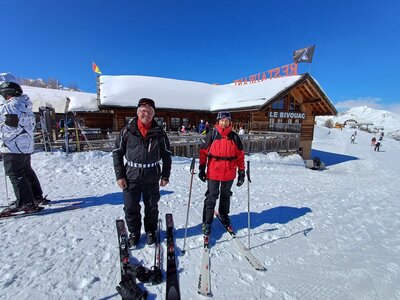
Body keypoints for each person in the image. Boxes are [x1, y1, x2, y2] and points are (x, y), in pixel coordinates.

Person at [113, 98, 172, 246]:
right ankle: (134, 232)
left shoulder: (159, 133)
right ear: (138, 112)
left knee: (151, 206)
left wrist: (165, 175)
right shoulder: (127, 131)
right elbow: (117, 153)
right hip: (131, 173)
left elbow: (166, 155)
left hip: (152, 174)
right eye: (143, 111)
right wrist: (120, 175)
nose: (146, 114)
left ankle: (151, 231)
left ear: (154, 114)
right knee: (131, 206)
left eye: (149, 111)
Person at [0, 82, 48, 214]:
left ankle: (25, 203)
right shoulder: (24, 106)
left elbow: (10, 128)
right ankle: (35, 196)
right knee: (26, 171)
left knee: (15, 174)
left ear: (6, 93)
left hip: (13, 147)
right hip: (24, 146)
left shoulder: (10, 107)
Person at [198, 111, 245, 236]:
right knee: (211, 196)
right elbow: (203, 152)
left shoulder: (235, 137)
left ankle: (223, 215)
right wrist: (202, 167)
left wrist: (241, 171)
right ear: (218, 122)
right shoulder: (212, 135)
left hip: (229, 172)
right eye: (222, 120)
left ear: (230, 122)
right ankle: (207, 222)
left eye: (227, 120)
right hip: (214, 171)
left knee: (226, 195)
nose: (224, 123)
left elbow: (240, 156)